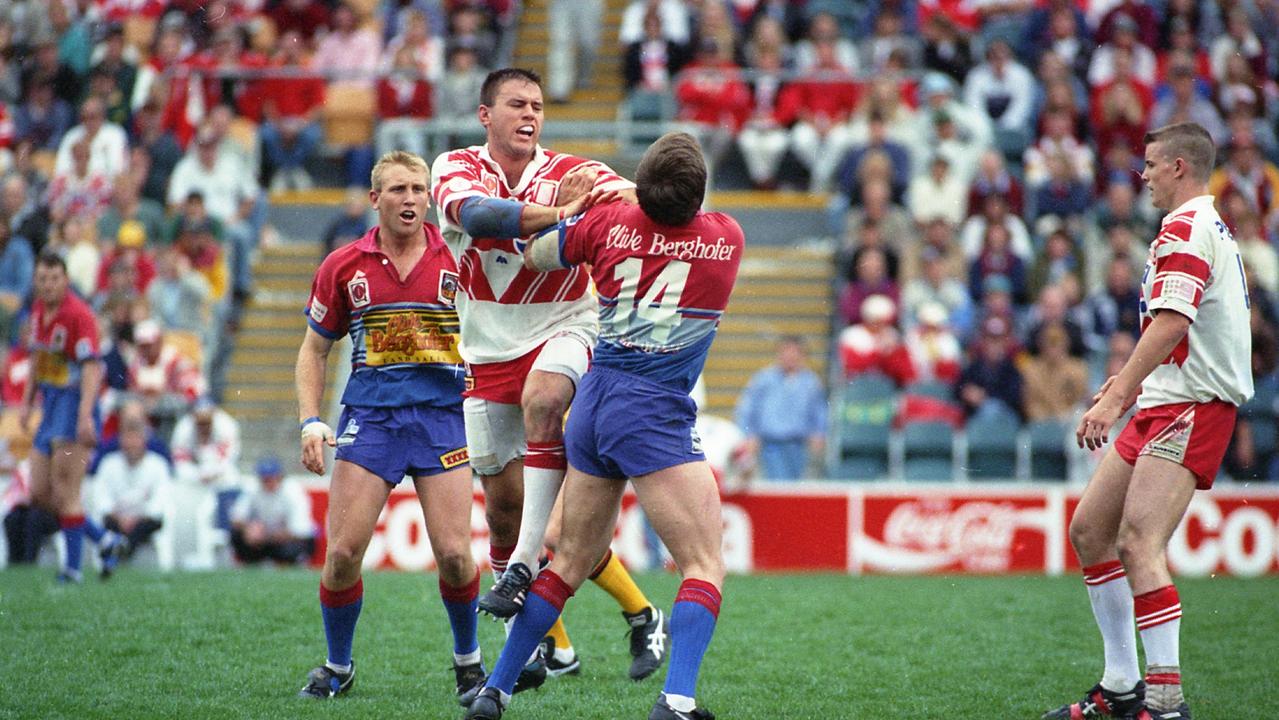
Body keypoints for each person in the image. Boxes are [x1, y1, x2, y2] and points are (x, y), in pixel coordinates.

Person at [465, 130, 741, 720]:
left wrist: (574, 203)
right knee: (703, 563)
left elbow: (537, 254)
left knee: (566, 562)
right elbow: (676, 222)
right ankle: (678, 701)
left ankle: (497, 689)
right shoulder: (727, 238)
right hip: (653, 409)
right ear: (697, 194)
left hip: (592, 402)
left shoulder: (607, 224)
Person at [430, 68, 667, 680]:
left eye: (537, 104)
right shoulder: (453, 166)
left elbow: (641, 199)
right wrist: (566, 211)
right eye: (516, 103)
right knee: (507, 513)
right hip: (484, 351)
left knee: (546, 406)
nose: (529, 112)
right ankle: (567, 637)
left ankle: (526, 583)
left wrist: (618, 200)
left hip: (567, 324)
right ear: (487, 115)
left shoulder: (572, 169)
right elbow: (478, 215)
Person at [1045, 123, 1253, 720]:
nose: (1144, 176)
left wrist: (1115, 399)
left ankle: (1165, 704)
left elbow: (1171, 322)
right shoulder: (1203, 226)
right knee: (1090, 531)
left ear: (1180, 168)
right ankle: (1120, 688)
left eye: (1152, 165)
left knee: (1140, 542)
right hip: (1168, 398)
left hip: (1191, 404)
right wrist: (1127, 387)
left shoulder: (1186, 226)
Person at [293, 151, 483, 702]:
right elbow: (313, 352)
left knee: (453, 554)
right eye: (397, 189)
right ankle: (338, 666)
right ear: (375, 199)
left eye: (419, 189)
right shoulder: (343, 265)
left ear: (430, 197)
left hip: (443, 418)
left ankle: (468, 664)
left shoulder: (460, 259)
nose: (410, 199)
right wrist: (310, 420)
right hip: (371, 419)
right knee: (343, 555)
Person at [19, 252, 121, 583]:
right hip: (50, 403)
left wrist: (85, 416)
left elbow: (91, 366)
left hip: (74, 402)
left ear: (65, 280)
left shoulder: (79, 315)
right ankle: (104, 540)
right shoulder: (37, 312)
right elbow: (36, 357)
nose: (47, 285)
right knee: (37, 493)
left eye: (54, 279)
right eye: (42, 279)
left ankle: (73, 569)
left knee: (67, 489)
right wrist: (26, 400)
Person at [735, 336, 827, 480]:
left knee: (797, 484)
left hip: (799, 443)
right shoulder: (764, 379)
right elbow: (747, 408)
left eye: (795, 352)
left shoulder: (810, 382)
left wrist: (819, 432)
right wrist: (749, 434)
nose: (790, 356)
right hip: (771, 442)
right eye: (786, 352)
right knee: (777, 481)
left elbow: (819, 411)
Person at [91, 407, 172, 570]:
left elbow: (160, 501)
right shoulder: (109, 463)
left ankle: (119, 553)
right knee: (108, 523)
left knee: (150, 524)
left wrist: (137, 519)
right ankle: (120, 551)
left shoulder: (157, 464)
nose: (131, 444)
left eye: (135, 439)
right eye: (127, 439)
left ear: (143, 441)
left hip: (144, 520)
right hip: (116, 518)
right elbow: (101, 497)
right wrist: (119, 518)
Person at [229, 456, 315, 566]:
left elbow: (300, 531)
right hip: (263, 539)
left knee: (291, 548)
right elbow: (236, 517)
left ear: (280, 477)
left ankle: (289, 562)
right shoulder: (252, 488)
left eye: (270, 478)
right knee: (236, 535)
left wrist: (267, 535)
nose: (267, 482)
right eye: (264, 479)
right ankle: (254, 561)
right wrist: (249, 528)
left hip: (287, 539)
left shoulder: (293, 492)